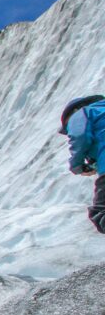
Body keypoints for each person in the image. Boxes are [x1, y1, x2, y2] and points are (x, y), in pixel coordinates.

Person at [59, 95, 105, 233]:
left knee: (101, 213)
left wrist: (77, 165)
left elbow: (79, 136)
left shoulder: (82, 113)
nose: (68, 132)